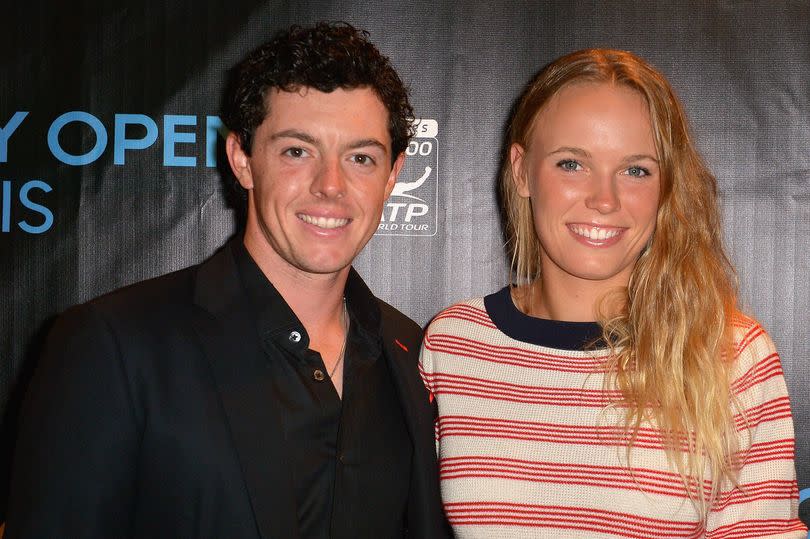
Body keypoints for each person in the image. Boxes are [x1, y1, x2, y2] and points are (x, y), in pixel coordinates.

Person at [6, 22, 450, 539]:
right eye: (297, 151)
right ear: (242, 159)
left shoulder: (412, 353)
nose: (331, 185)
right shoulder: (112, 345)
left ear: (392, 174)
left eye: (360, 158)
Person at [419, 49, 806, 537]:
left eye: (636, 170)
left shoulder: (731, 355)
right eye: (571, 164)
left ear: (666, 187)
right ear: (521, 171)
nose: (604, 199)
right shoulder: (455, 344)